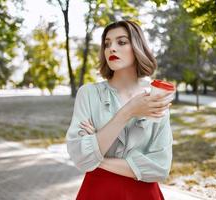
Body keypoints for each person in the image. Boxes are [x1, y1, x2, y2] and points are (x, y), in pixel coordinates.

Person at [66, 20, 174, 200]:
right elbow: (79, 155)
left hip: (145, 195)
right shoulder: (89, 94)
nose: (111, 49)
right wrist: (128, 111)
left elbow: (160, 168)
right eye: (107, 44)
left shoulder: (155, 98)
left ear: (137, 47)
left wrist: (96, 154)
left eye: (121, 42)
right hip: (97, 193)